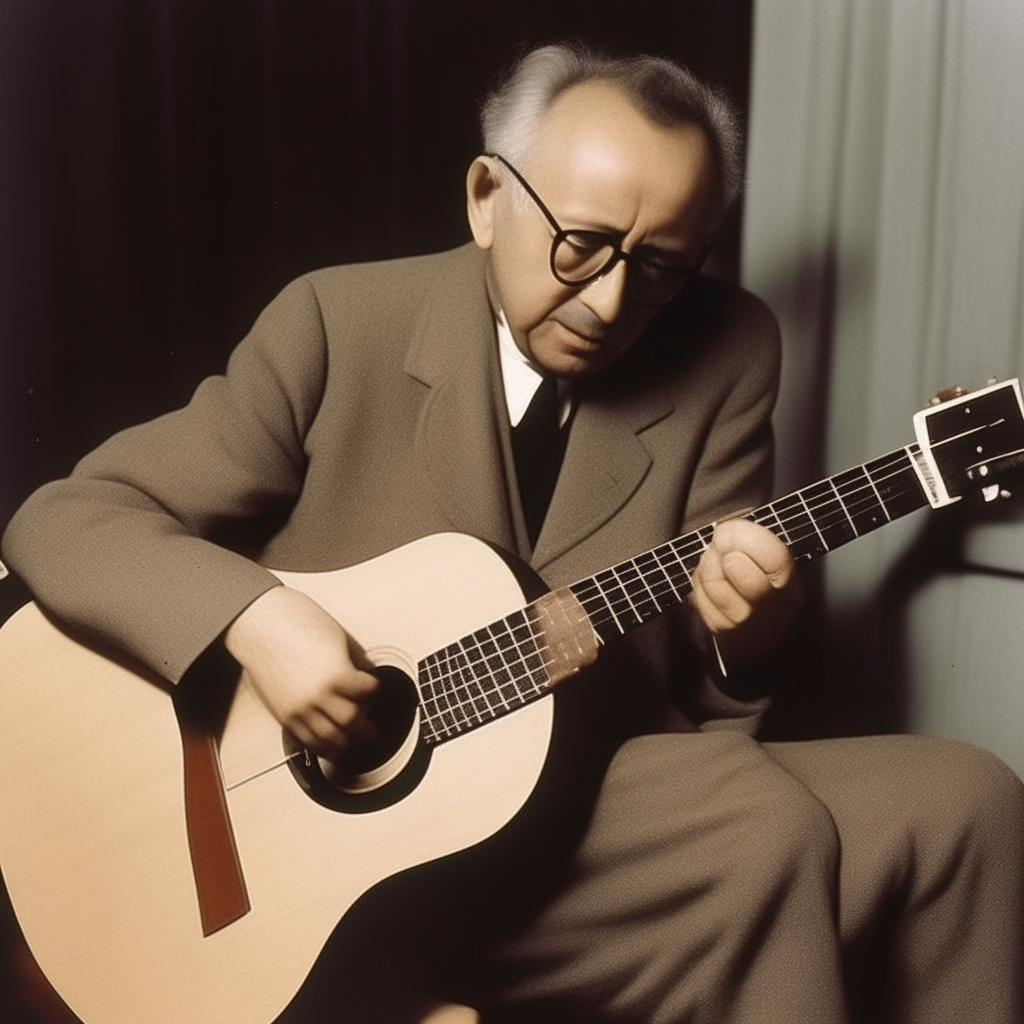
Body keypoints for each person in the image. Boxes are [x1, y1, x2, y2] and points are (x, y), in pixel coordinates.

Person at [4, 43, 1024, 1024]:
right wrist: (259, 622)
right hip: (362, 863)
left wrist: (743, 636)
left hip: (596, 790)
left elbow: (699, 699)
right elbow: (65, 521)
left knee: (966, 804)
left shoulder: (731, 346)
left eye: (661, 267)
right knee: (757, 828)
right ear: (487, 198)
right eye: (580, 244)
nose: (613, 300)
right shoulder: (336, 320)